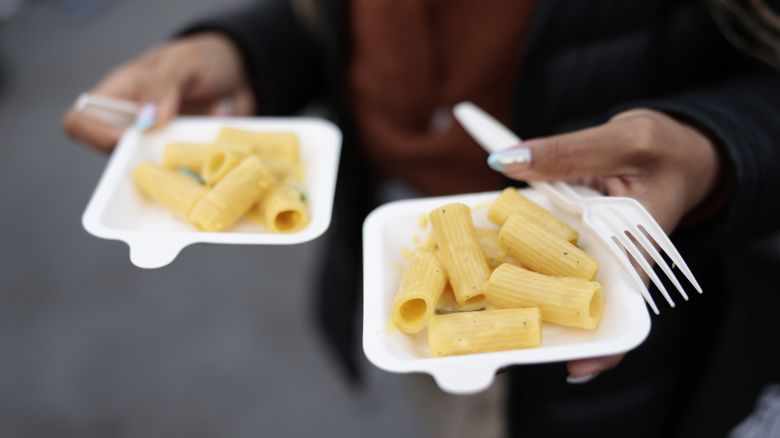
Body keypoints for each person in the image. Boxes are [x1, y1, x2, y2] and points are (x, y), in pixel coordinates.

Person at [63, 0, 780, 436]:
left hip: (655, 305)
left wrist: (712, 147)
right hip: (412, 260)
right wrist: (243, 48)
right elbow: (326, 18)